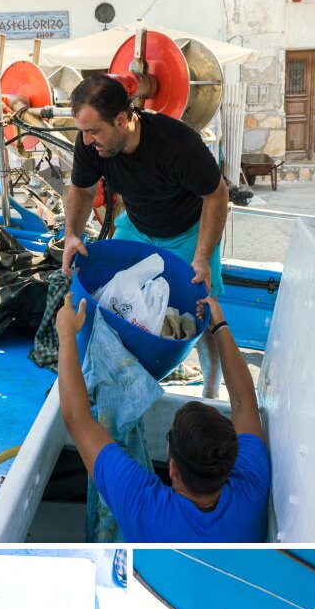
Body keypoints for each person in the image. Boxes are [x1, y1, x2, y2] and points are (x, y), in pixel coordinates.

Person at [61, 74, 229, 398]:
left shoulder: (177, 144)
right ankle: (120, 376)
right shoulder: (89, 144)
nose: (85, 141)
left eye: (94, 131)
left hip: (188, 232)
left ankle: (211, 391)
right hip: (137, 226)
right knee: (110, 301)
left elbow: (217, 195)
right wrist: (71, 235)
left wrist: (203, 258)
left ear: (122, 120)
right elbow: (82, 190)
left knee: (203, 315)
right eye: (82, 131)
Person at [55, 293, 270, 542]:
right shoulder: (251, 488)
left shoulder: (145, 507)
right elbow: (244, 403)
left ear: (172, 468)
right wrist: (219, 327)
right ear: (232, 462)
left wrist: (66, 334)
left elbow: (77, 419)